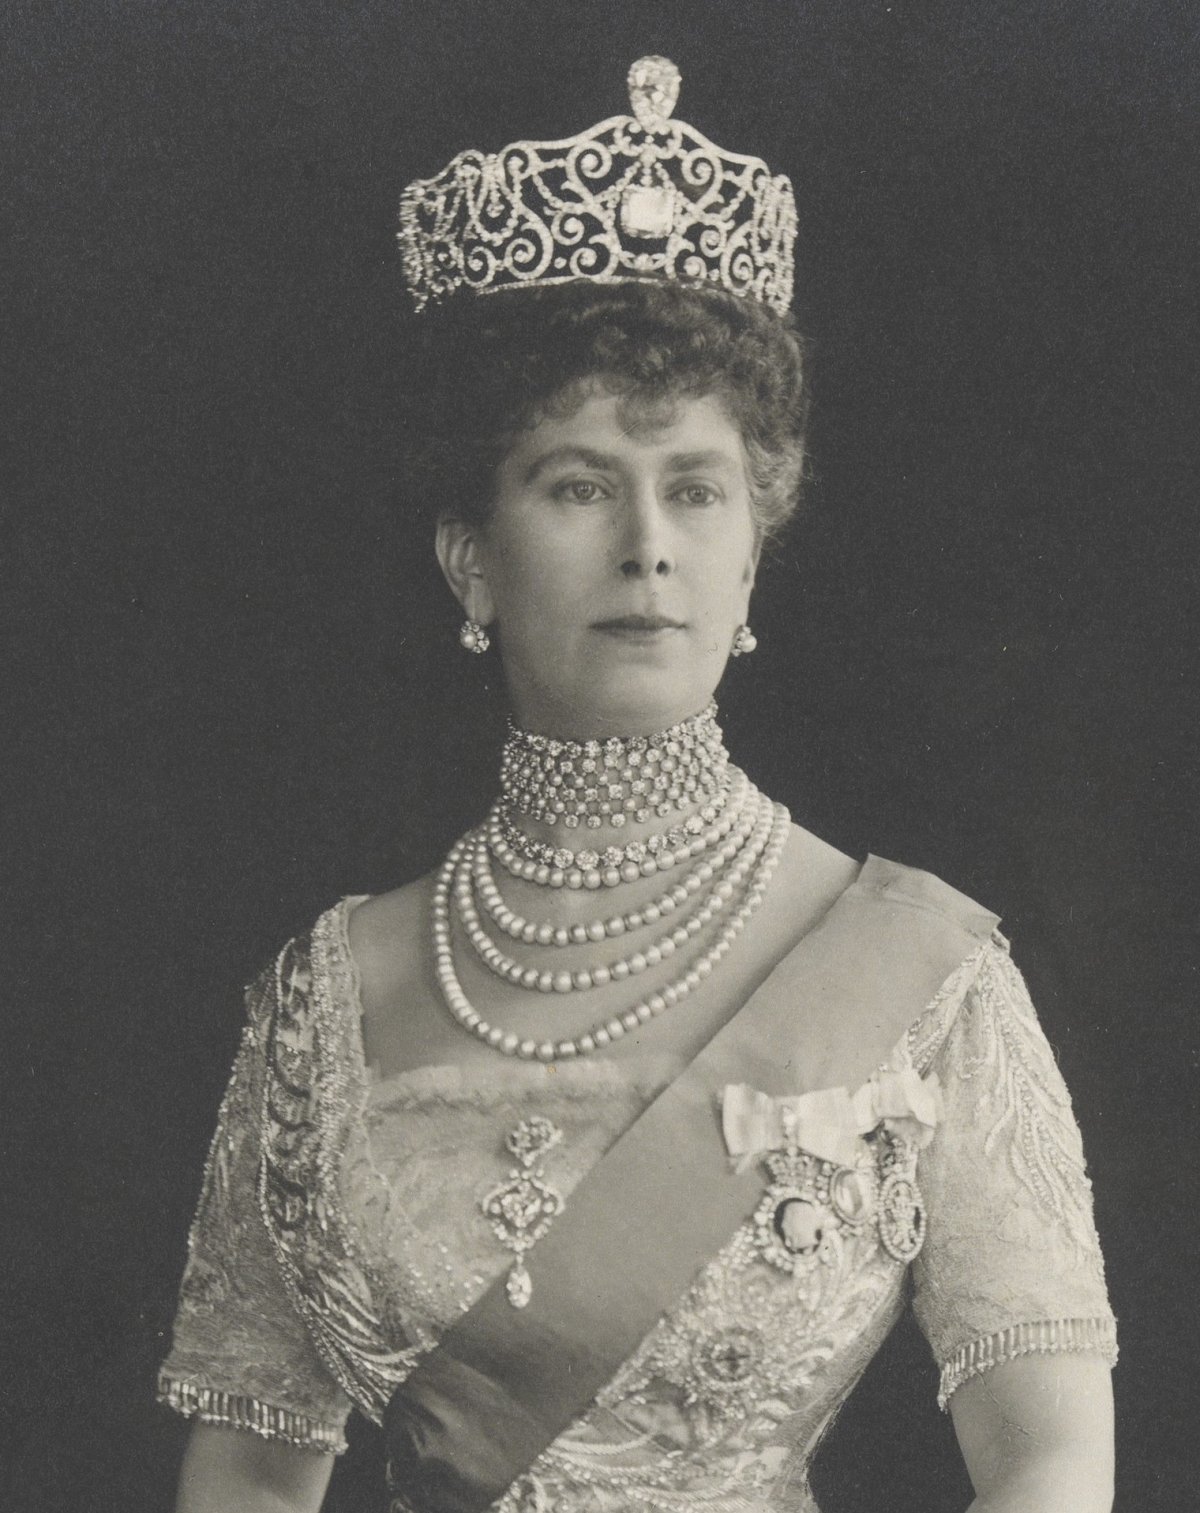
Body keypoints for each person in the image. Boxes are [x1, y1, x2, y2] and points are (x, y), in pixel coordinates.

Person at [158, 57, 1117, 1513]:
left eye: (696, 486)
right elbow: (244, 1460)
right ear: (471, 556)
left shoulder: (925, 975)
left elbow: (1050, 1456)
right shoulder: (324, 1001)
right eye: (577, 483)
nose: (647, 545)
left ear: (749, 556)